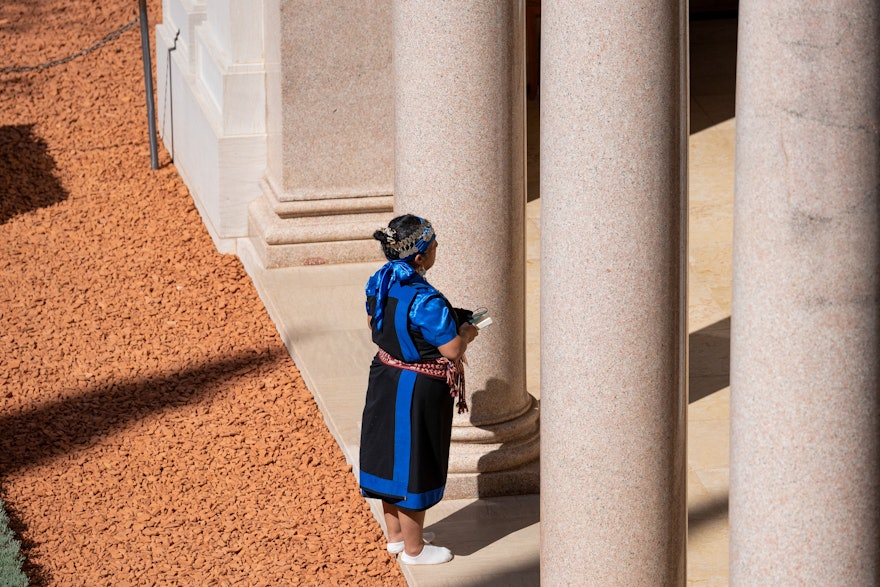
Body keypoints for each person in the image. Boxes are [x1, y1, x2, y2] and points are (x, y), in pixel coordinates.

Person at [358, 214, 479, 565]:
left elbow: (372, 323)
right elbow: (452, 350)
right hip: (418, 387)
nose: (438, 247)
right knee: (414, 461)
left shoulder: (380, 280)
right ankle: (415, 550)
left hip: (385, 374)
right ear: (420, 257)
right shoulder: (428, 300)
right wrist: (468, 331)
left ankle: (396, 538)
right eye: (433, 244)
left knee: (387, 457)